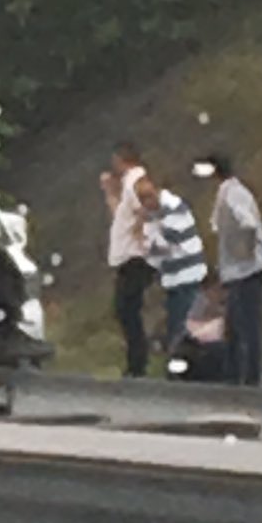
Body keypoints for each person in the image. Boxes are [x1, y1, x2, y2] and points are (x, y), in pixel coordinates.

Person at [199, 151, 262, 385]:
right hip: (238, 272)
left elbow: (247, 223)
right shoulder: (233, 191)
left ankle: (249, 379)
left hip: (245, 272)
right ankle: (235, 377)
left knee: (246, 328)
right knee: (235, 328)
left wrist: (243, 253)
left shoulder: (231, 194)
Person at [101, 140, 156, 378]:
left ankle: (138, 363)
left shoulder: (136, 179)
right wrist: (110, 193)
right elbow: (120, 217)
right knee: (125, 309)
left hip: (136, 256)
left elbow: (150, 200)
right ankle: (135, 361)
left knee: (128, 308)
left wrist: (142, 226)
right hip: (127, 256)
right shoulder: (127, 185)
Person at [141, 180, 208, 360]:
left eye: (147, 200)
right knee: (175, 321)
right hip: (172, 277)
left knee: (184, 324)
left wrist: (147, 239)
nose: (145, 206)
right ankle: (177, 360)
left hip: (188, 274)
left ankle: (184, 361)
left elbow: (167, 243)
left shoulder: (174, 208)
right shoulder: (153, 215)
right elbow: (151, 249)